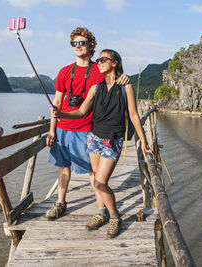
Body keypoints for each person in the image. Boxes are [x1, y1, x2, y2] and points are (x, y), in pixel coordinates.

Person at [51, 49, 152, 238]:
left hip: (112, 139)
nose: (98, 62)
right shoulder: (95, 88)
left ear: (114, 63)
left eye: (103, 59)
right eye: (98, 60)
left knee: (100, 182)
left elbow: (133, 115)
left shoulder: (125, 86)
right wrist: (61, 114)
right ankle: (101, 213)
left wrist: (144, 141)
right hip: (94, 138)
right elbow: (81, 112)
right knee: (96, 179)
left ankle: (115, 216)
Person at [45, 27, 129, 221]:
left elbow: (115, 80)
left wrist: (125, 78)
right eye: (74, 43)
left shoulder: (99, 69)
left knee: (93, 172)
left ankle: (101, 209)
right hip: (62, 128)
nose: (77, 46)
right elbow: (56, 103)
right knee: (63, 167)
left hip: (86, 129)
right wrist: (51, 131)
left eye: (82, 43)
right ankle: (60, 203)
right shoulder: (64, 71)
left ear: (91, 46)